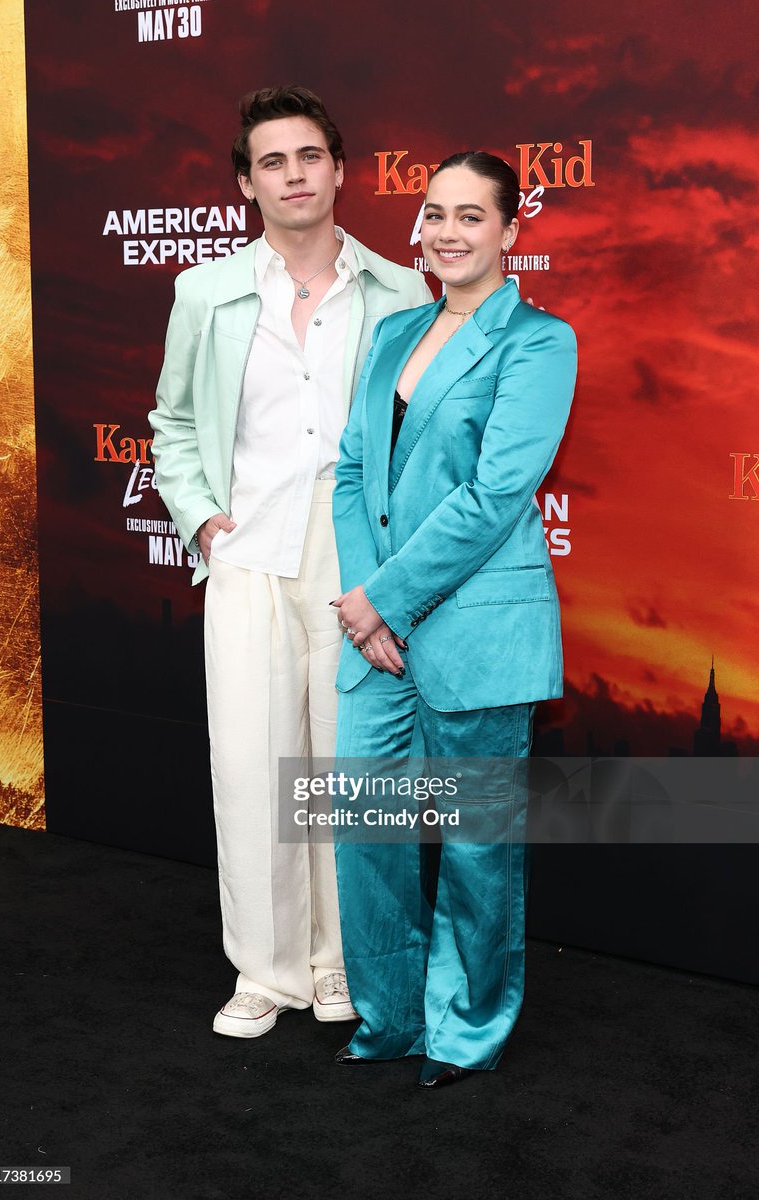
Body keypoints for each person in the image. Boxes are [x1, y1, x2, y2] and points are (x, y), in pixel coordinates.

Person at [149, 86, 432, 1039]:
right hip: (248, 549)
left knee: (347, 765)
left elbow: (422, 434)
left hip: (357, 560)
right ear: (246, 183)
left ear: (341, 170)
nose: (294, 174)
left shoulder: (401, 289)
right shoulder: (206, 292)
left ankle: (341, 960)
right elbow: (174, 422)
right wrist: (201, 521)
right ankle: (264, 972)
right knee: (254, 764)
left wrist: (396, 570)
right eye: (273, 161)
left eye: (309, 156)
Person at [330, 151, 577, 1086]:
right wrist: (367, 610)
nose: (448, 233)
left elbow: (498, 492)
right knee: (366, 833)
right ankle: (391, 1019)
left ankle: (465, 1031)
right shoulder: (393, 334)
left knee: (478, 848)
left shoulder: (540, 343)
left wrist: (383, 596)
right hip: (375, 639)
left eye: (472, 217)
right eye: (435, 213)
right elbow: (352, 471)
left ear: (511, 232)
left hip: (475, 630)